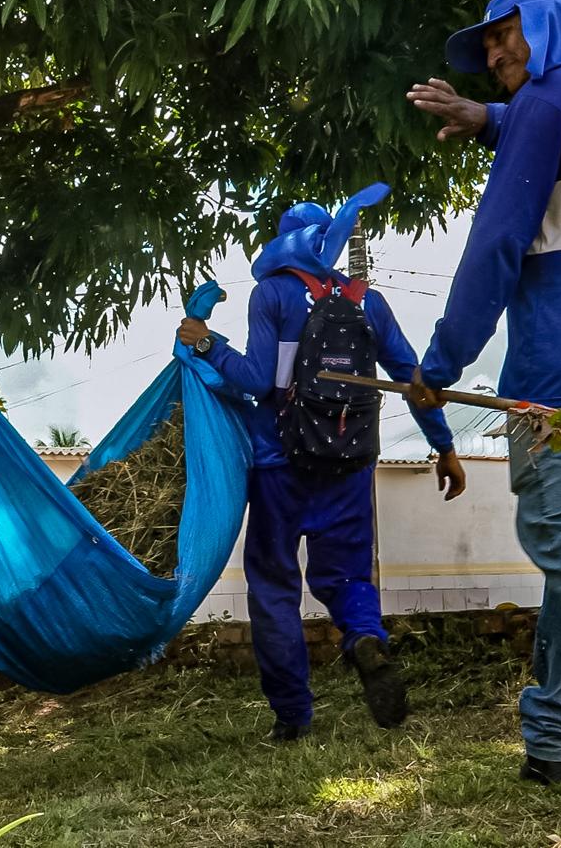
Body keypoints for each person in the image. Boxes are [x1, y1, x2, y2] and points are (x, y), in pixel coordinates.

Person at [405, 0, 561, 798]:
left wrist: (439, 365)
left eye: (505, 36)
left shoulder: (545, 97)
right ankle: (554, 743)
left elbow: (499, 242)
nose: (497, 56)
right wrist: (493, 118)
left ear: (547, 27)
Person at [178, 185, 466, 741]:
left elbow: (258, 380)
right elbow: (414, 380)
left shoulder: (274, 296)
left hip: (279, 465)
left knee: (273, 584)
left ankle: (292, 717)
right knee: (347, 576)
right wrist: (445, 446)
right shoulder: (367, 301)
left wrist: (210, 345)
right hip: (350, 464)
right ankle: (363, 636)